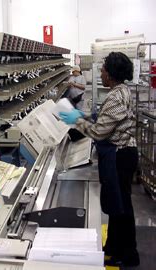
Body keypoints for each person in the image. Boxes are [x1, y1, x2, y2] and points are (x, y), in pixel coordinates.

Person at [59, 52, 139, 267]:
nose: (101, 73)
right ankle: (113, 248)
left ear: (111, 74)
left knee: (121, 208)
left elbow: (99, 132)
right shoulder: (120, 90)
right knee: (117, 206)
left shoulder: (116, 96)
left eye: (103, 70)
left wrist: (77, 121)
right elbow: (102, 121)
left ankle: (129, 254)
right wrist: (84, 117)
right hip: (120, 153)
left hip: (119, 155)